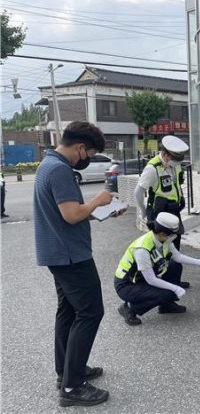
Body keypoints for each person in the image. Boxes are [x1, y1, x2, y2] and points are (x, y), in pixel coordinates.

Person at [34, 121, 123, 407]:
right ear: (80, 148)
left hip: (58, 253)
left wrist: (103, 211)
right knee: (90, 312)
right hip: (71, 255)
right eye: (89, 153)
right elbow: (72, 215)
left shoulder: (48, 164)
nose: (87, 159)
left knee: (69, 311)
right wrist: (99, 199)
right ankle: (72, 388)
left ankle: (67, 372)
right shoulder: (60, 169)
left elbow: (66, 213)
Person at [114, 212, 200, 325]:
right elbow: (151, 280)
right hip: (127, 285)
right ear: (163, 234)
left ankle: (166, 306)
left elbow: (178, 257)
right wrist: (175, 288)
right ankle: (129, 309)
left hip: (141, 277)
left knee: (174, 266)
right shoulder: (142, 250)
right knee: (167, 293)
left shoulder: (163, 239)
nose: (176, 236)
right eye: (174, 234)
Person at [134, 135, 190, 288]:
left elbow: (177, 184)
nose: (176, 164)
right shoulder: (152, 168)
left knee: (175, 246)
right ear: (165, 154)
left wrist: (181, 199)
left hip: (173, 212)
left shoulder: (175, 164)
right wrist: (144, 212)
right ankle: (158, 283)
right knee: (159, 250)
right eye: (173, 160)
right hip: (158, 214)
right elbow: (138, 192)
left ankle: (174, 279)